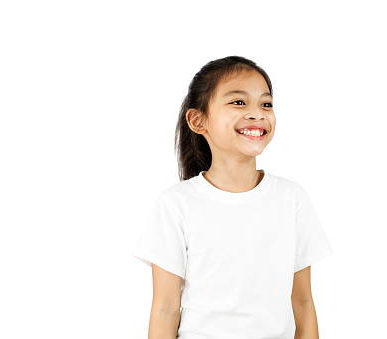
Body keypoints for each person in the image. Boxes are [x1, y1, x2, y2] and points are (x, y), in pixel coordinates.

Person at [132, 55, 334, 339]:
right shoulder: (176, 204)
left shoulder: (292, 199)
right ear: (198, 120)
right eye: (239, 102)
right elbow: (165, 308)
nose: (257, 113)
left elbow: (302, 303)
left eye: (266, 103)